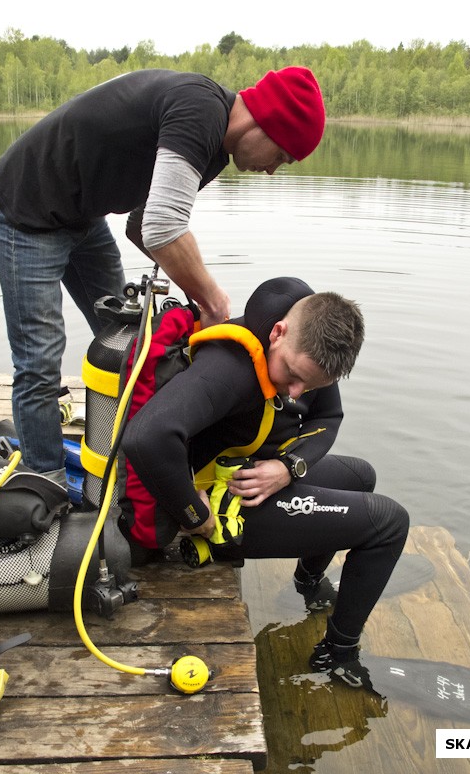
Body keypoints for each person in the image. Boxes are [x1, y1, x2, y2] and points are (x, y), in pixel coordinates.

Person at [0, 67, 325, 481]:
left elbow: (142, 224)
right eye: (282, 155)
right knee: (39, 361)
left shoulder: (217, 144)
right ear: (267, 123)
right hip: (27, 209)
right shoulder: (199, 111)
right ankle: (46, 488)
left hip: (82, 215)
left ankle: (128, 463)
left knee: (133, 342)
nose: (273, 169)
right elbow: (163, 228)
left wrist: (195, 297)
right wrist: (211, 300)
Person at [122, 276, 410, 688]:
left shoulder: (306, 340)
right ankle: (338, 653)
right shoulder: (229, 371)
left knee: (362, 476)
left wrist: (289, 467)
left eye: (309, 385)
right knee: (390, 523)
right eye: (292, 376)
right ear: (277, 332)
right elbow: (145, 438)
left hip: (255, 470)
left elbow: (328, 419)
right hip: (224, 505)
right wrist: (192, 512)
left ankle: (307, 582)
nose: (296, 392)